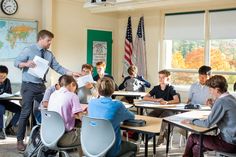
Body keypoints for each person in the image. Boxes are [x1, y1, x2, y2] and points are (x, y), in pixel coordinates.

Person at [14, 30, 80, 151]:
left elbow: (58, 67)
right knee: (26, 112)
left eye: (51, 41)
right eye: (48, 41)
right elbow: (16, 62)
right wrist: (26, 64)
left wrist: (72, 73)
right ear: (40, 39)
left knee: (43, 112)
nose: (50, 43)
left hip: (40, 86)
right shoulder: (29, 50)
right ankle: (19, 140)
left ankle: (39, 138)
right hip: (28, 85)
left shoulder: (49, 54)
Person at [182, 75, 236, 157]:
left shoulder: (221, 101)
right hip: (230, 140)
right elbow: (221, 114)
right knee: (197, 147)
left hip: (229, 143)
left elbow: (207, 124)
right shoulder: (231, 98)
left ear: (217, 90)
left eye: (210, 89)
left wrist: (191, 121)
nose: (209, 92)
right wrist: (212, 106)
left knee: (192, 137)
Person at [88, 77, 137, 157]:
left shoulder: (91, 103)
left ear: (98, 90)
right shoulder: (117, 105)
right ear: (113, 90)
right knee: (133, 146)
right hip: (111, 149)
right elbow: (132, 117)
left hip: (92, 147)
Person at [47, 75, 84, 151]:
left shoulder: (53, 94)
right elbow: (82, 118)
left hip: (48, 136)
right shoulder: (73, 96)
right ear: (72, 84)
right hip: (62, 138)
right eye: (75, 89)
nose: (74, 91)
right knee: (90, 132)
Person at [143, 69, 179, 145]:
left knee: (162, 118)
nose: (160, 79)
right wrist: (157, 99)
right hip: (159, 109)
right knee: (149, 117)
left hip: (169, 110)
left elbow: (177, 100)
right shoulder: (156, 88)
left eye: (163, 77)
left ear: (168, 79)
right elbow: (145, 97)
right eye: (159, 77)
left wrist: (167, 102)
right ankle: (151, 135)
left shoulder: (171, 88)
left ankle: (161, 135)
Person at [0, 65, 21, 139]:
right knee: (1, 109)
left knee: (20, 110)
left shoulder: (7, 81)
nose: (2, 78)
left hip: (5, 101)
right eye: (0, 76)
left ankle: (9, 127)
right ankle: (0, 130)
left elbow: (9, 93)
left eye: (4, 77)